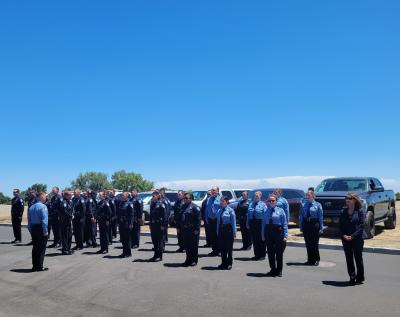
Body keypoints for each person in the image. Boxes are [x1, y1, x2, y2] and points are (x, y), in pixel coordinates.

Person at [340, 193, 366, 285]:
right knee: (349, 258)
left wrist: (353, 236)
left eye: (349, 200)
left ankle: (360, 277)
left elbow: (362, 225)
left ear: (354, 200)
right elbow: (340, 226)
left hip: (357, 239)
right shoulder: (343, 211)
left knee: (358, 258)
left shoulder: (360, 211)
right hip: (345, 239)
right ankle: (352, 277)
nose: (347, 201)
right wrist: (344, 235)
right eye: (346, 200)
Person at [261, 195, 288, 277]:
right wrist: (262, 235)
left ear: (276, 201)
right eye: (270, 201)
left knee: (279, 252)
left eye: (273, 201)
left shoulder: (281, 211)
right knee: (270, 252)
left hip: (278, 232)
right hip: (268, 232)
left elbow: (285, 223)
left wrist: (285, 235)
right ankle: (273, 269)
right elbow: (263, 224)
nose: (271, 202)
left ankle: (279, 270)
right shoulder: (265, 211)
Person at [299, 190, 324, 266]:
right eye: (306, 195)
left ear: (313, 196)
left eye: (309, 195)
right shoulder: (303, 204)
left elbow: (320, 217)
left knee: (315, 243)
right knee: (308, 243)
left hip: (314, 224)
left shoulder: (318, 205)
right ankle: (310, 260)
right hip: (306, 224)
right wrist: (301, 226)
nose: (307, 197)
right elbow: (301, 216)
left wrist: (321, 228)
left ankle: (317, 259)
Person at [27, 192, 49, 272]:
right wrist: (45, 230)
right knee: (41, 248)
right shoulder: (43, 207)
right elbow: (44, 220)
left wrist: (30, 229)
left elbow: (29, 220)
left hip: (34, 228)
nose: (45, 198)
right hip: (40, 228)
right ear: (40, 197)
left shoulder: (31, 207)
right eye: (44, 197)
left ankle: (34, 266)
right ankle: (39, 266)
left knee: (35, 248)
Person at [181, 192, 201, 266]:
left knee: (193, 246)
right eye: (184, 198)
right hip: (186, 230)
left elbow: (198, 219)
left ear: (191, 199)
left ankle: (194, 260)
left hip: (193, 230)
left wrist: (197, 229)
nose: (185, 199)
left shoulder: (195, 207)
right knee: (187, 246)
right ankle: (188, 260)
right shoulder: (183, 206)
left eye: (186, 198)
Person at [216, 196, 236, 270]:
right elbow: (218, 223)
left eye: (223, 201)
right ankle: (223, 263)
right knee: (222, 248)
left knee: (229, 248)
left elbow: (233, 222)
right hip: (221, 230)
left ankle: (229, 263)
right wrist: (217, 231)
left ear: (227, 202)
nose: (221, 202)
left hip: (228, 230)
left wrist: (234, 232)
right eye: (221, 201)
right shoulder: (219, 210)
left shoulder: (230, 210)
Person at [246, 191, 267, 260]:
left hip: (260, 223)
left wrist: (265, 225)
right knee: (254, 239)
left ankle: (262, 255)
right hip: (252, 223)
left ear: (260, 196)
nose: (256, 197)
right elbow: (248, 215)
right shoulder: (251, 204)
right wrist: (247, 223)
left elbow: (265, 215)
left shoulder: (263, 205)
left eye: (257, 196)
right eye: (255, 196)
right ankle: (256, 255)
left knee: (261, 239)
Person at [149, 191, 167, 262]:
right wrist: (150, 224)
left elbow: (164, 216)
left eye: (154, 196)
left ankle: (160, 256)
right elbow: (151, 216)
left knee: (159, 241)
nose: (152, 197)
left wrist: (163, 225)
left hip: (159, 225)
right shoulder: (152, 204)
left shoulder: (161, 204)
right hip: (153, 225)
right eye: (152, 196)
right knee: (155, 241)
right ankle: (155, 255)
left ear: (157, 196)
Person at [205, 186, 222, 256]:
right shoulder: (209, 199)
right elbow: (206, 209)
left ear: (218, 191)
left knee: (218, 236)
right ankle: (214, 250)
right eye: (212, 190)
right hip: (210, 220)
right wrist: (206, 218)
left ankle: (220, 250)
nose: (212, 191)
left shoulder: (221, 198)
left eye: (214, 190)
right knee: (212, 236)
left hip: (217, 220)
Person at [116, 192, 134, 258]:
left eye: (123, 195)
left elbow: (132, 214)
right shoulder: (121, 203)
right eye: (121, 195)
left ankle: (128, 253)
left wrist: (131, 223)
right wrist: (118, 222)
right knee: (123, 239)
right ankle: (124, 252)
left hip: (127, 223)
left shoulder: (130, 204)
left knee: (127, 239)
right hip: (121, 223)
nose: (122, 196)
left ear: (126, 196)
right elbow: (119, 213)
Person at [59, 191, 74, 255]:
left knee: (69, 235)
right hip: (64, 221)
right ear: (66, 195)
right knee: (65, 236)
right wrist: (71, 216)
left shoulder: (69, 202)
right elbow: (65, 212)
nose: (71, 196)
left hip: (68, 221)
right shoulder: (64, 202)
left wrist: (72, 215)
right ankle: (65, 250)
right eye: (70, 195)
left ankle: (68, 248)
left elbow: (71, 210)